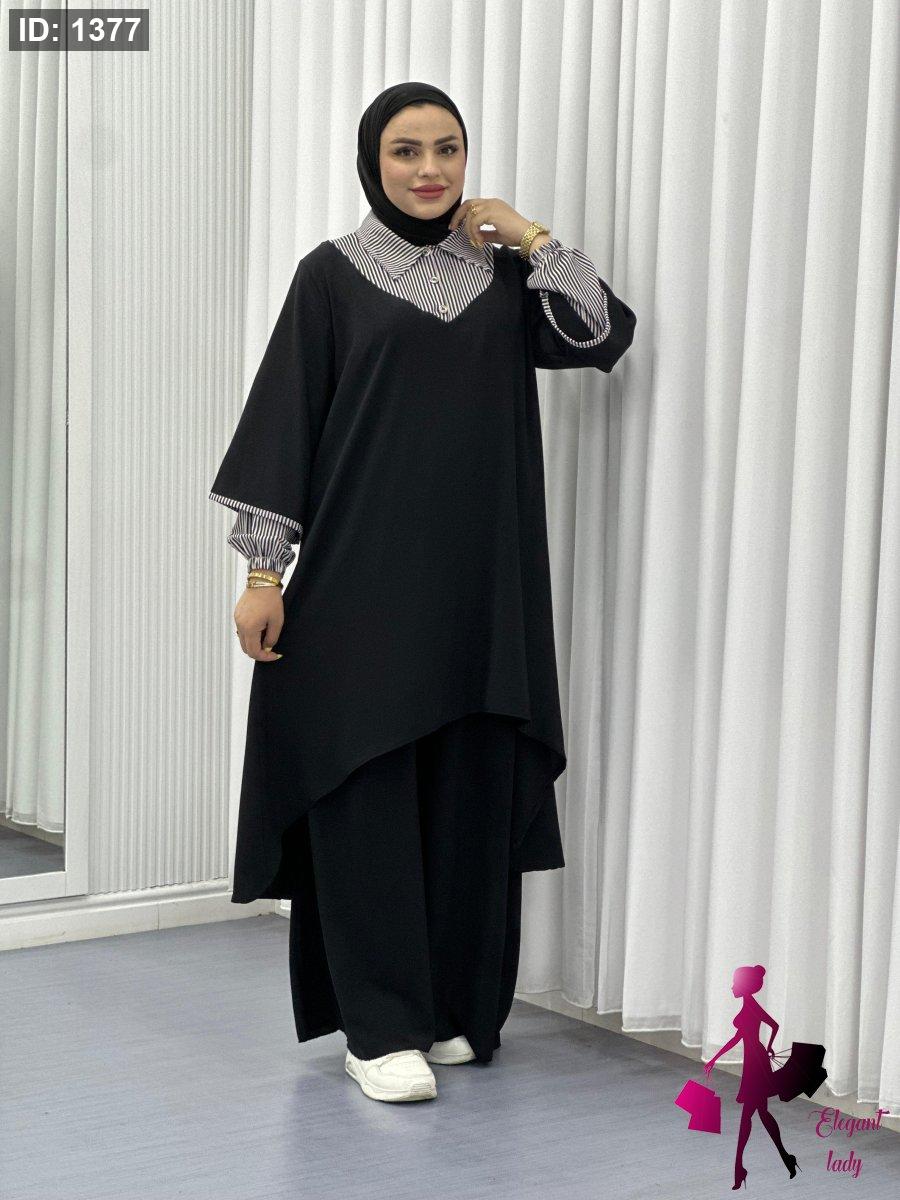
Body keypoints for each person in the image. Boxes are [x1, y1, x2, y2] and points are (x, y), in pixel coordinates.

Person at [209, 81, 637, 1103]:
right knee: (366, 794)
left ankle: (451, 1009)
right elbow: (286, 425)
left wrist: (532, 237)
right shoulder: (331, 277)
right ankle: (379, 1028)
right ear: (374, 162)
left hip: (483, 593)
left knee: (467, 796)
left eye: (447, 148)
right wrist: (264, 575)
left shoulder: (501, 278)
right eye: (406, 151)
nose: (430, 169)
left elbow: (601, 332)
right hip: (359, 590)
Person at [705, 964, 801, 1187]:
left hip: (756, 1064)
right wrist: (714, 1058)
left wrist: (769, 1046)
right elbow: (738, 1038)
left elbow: (774, 1025)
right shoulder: (748, 1005)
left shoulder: (752, 1006)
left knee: (749, 1116)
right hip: (753, 1062)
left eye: (735, 983)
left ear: (745, 986)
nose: (732, 987)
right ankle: (784, 1158)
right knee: (761, 1115)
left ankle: (740, 1168)